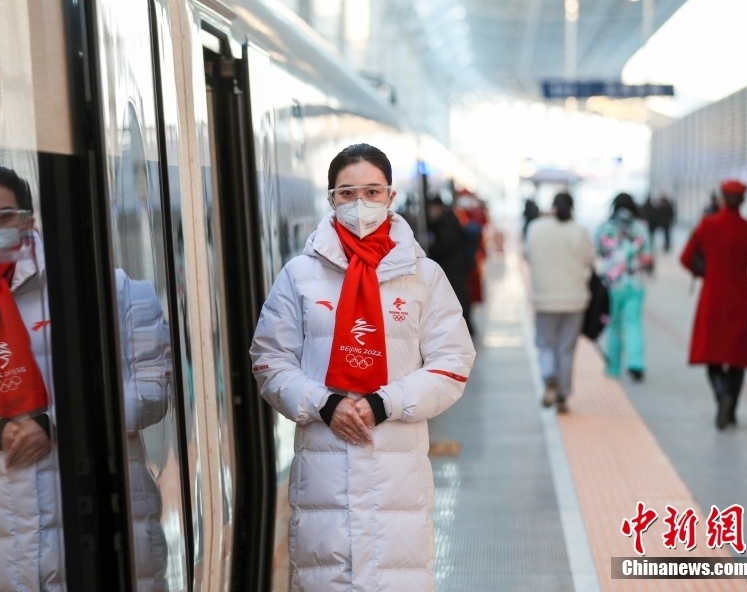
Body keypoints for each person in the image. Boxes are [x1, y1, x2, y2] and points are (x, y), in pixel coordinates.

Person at [0, 167, 170, 591]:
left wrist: (57, 422)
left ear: (29, 219)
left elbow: (153, 393)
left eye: (5, 216)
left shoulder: (109, 290)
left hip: (98, 503)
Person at [249, 143, 475, 591]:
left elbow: (453, 362)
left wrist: (383, 402)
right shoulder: (299, 275)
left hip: (398, 473)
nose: (360, 204)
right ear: (331, 199)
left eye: (372, 192)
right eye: (347, 193)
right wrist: (326, 404)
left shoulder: (423, 276)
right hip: (323, 471)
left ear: (391, 197)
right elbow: (269, 360)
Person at [680, 179, 747, 430]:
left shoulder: (707, 225)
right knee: (737, 356)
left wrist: (704, 272)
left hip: (712, 296)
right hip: (741, 298)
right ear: (744, 200)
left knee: (712, 353)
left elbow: (685, 258)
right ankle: (731, 406)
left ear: (722, 199)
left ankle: (722, 398)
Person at [524, 193, 595, 413]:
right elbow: (590, 260)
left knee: (545, 343)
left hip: (545, 299)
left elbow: (527, 255)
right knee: (566, 348)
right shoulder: (579, 230)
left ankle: (549, 378)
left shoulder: (536, 228)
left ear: (552, 206)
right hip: (575, 300)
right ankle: (563, 394)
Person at [595, 193, 653, 382]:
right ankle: (636, 363)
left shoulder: (605, 229)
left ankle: (613, 367)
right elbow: (647, 258)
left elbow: (600, 252)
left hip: (612, 285)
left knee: (614, 326)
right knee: (634, 324)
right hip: (635, 284)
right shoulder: (641, 229)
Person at [427, 195, 474, 334]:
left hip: (452, 266)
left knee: (457, 296)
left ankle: (464, 327)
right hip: (456, 265)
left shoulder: (445, 222)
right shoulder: (450, 219)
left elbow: (446, 244)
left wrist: (432, 251)